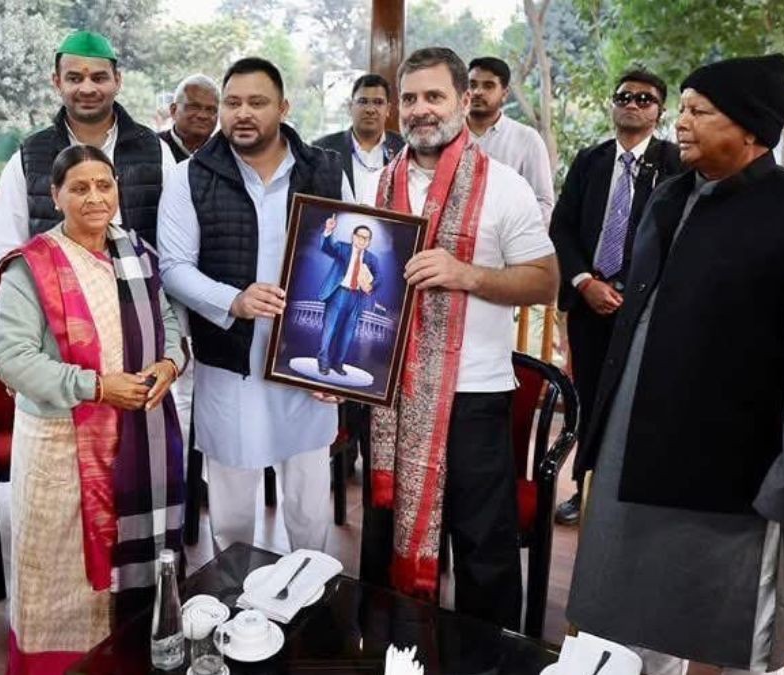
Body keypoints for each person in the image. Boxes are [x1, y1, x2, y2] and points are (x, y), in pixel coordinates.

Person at [565, 54, 784, 675]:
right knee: (627, 623)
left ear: (750, 130)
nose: (681, 122)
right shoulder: (669, 197)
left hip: (734, 476)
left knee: (732, 635)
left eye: (700, 111)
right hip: (634, 451)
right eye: (684, 109)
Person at [364, 47, 558, 630]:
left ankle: (489, 659)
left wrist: (465, 274)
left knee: (483, 553)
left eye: (434, 96)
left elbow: (545, 281)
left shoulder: (504, 186)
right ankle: (398, 651)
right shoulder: (377, 185)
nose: (420, 109)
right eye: (410, 98)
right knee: (384, 539)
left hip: (474, 396)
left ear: (464, 99)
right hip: (392, 397)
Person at [0, 144, 185, 673]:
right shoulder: (31, 266)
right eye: (79, 188)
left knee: (132, 571)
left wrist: (169, 365)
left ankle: (128, 656)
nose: (95, 197)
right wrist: (98, 387)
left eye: (104, 185)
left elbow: (168, 321)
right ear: (55, 196)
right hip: (60, 446)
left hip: (137, 438)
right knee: (60, 573)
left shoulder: (137, 254)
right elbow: (12, 360)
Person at [158, 57, 352, 555]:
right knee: (232, 511)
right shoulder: (189, 177)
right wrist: (234, 300)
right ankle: (233, 593)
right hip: (230, 360)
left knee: (308, 506)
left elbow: (354, 258)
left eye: (257, 102)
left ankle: (311, 590)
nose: (243, 113)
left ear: (283, 108)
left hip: (306, 362)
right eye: (233, 102)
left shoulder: (326, 171)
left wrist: (343, 367)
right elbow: (173, 267)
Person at [0, 30, 175, 351]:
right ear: (57, 82)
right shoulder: (30, 157)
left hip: (142, 321)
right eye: (74, 78)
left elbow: (171, 255)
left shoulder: (155, 152)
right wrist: (4, 348)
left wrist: (173, 345)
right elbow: (4, 253)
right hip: (58, 329)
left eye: (99, 78)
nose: (87, 88)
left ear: (117, 80)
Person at [549, 68, 682, 525]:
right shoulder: (591, 160)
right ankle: (581, 489)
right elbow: (563, 226)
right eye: (624, 96)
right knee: (589, 400)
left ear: (659, 111)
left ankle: (623, 501)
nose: (632, 104)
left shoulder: (676, 164)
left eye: (644, 99)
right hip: (590, 304)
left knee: (634, 405)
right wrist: (585, 282)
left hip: (643, 311)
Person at [466, 56, 555, 222]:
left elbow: (543, 203)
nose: (477, 92)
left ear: (505, 94)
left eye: (488, 86)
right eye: (472, 85)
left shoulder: (527, 140)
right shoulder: (447, 134)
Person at [313, 73, 406, 206]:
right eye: (363, 101)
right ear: (350, 107)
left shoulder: (403, 148)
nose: (370, 110)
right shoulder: (323, 150)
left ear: (388, 109)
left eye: (378, 102)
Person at [316, 218, 379, 376]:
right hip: (339, 293)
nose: (362, 240)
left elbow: (380, 277)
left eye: (366, 238)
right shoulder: (342, 248)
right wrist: (328, 231)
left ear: (369, 242)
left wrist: (371, 285)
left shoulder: (372, 259)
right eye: (360, 236)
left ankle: (338, 363)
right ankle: (323, 361)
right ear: (353, 237)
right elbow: (327, 247)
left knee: (347, 333)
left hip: (357, 298)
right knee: (330, 329)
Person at [160, 74, 219, 161]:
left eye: (210, 109)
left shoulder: (227, 154)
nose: (203, 115)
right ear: (173, 110)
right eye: (194, 107)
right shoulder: (151, 147)